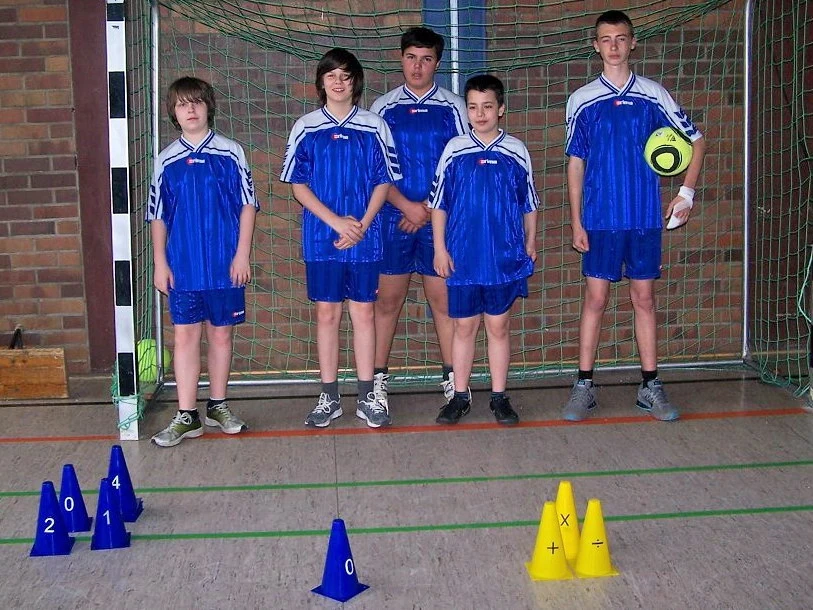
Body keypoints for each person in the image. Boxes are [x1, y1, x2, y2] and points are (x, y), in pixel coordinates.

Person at [563, 10, 706, 422]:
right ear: (595, 45)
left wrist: (686, 193)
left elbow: (696, 141)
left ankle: (650, 386)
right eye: (606, 39)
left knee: (644, 299)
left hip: (644, 217)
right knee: (595, 299)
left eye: (621, 38)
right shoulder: (582, 100)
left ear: (633, 42)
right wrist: (576, 220)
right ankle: (584, 386)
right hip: (600, 219)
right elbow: (575, 163)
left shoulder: (653, 94)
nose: (614, 46)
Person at [280, 48, 401, 429]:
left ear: (355, 83)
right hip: (322, 238)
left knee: (364, 313)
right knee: (327, 313)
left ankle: (367, 395)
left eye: (345, 76)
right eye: (331, 76)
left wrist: (360, 224)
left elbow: (383, 181)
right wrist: (335, 222)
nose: (338, 82)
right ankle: (329, 396)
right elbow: (298, 185)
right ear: (321, 82)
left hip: (365, 237)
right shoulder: (306, 127)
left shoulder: (374, 126)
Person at [147, 76, 258, 447]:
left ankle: (218, 405)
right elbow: (158, 216)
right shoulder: (166, 160)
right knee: (185, 335)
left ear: (209, 106)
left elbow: (247, 205)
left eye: (196, 102)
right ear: (173, 113)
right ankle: (186, 414)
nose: (190, 109)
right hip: (184, 265)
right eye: (182, 104)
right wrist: (160, 263)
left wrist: (242, 254)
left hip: (225, 264)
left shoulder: (231, 152)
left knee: (221, 334)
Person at [429, 74, 539, 425]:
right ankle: (460, 396)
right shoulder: (454, 149)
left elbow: (529, 203)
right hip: (463, 256)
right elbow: (438, 204)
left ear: (501, 109)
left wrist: (530, 241)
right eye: (473, 107)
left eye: (487, 106)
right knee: (463, 327)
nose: (480, 114)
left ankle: (499, 396)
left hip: (502, 257)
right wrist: (439, 249)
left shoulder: (516, 151)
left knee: (498, 326)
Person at [369, 27, 469, 412]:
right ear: (401, 59)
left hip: (438, 222)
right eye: (411, 57)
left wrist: (426, 207)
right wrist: (405, 205)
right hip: (391, 219)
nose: (417, 66)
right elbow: (373, 168)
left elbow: (461, 165)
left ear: (437, 64)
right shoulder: (382, 108)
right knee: (386, 302)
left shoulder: (454, 107)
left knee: (443, 301)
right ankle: (376, 382)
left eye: (426, 59)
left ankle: (454, 382)